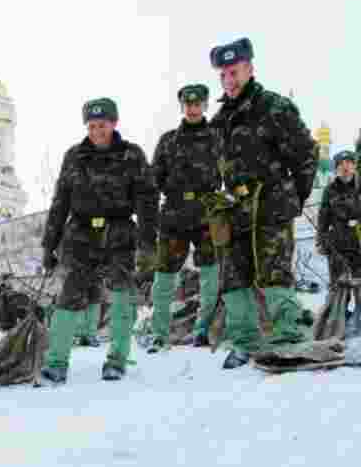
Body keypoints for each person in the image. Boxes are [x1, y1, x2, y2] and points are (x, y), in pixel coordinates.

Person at [206, 37, 317, 368]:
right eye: (224, 74)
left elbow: (306, 154)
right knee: (234, 275)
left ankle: (289, 336)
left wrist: (292, 197)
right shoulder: (220, 120)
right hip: (235, 209)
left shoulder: (273, 107)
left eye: (235, 72)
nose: (230, 80)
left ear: (250, 69)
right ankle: (246, 340)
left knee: (274, 271)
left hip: (270, 203)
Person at [39, 97, 158, 383]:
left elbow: (148, 201)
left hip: (119, 234)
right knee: (69, 296)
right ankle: (57, 361)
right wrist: (49, 244)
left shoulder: (132, 155)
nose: (96, 132)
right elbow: (60, 202)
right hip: (80, 236)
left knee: (121, 296)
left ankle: (116, 360)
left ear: (114, 124)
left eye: (101, 125)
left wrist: (147, 243)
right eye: (91, 126)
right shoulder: (74, 156)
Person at [142, 83, 222, 352]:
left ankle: (203, 329)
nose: (192, 108)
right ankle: (159, 334)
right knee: (164, 278)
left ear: (204, 105)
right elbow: (153, 181)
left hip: (207, 214)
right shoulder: (168, 141)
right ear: (182, 107)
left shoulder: (217, 137)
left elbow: (231, 174)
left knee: (211, 274)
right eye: (188, 104)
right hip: (174, 215)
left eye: (197, 103)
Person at [316, 150, 360, 289]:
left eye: (348, 163)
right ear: (336, 169)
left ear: (354, 166)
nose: (345, 167)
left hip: (359, 247)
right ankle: (338, 310)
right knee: (338, 291)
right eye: (340, 164)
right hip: (337, 248)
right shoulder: (329, 190)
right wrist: (320, 242)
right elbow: (323, 218)